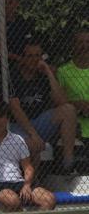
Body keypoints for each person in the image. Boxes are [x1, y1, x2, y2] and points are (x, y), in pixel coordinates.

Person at [9, 42, 77, 173]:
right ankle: (32, 183)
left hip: (40, 122)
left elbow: (62, 101)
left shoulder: (43, 76)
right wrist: (33, 134)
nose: (34, 59)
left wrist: (49, 73)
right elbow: (15, 109)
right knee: (32, 145)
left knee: (69, 110)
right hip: (18, 126)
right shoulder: (13, 76)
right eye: (29, 56)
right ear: (22, 58)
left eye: (37, 56)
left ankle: (68, 163)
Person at [57, 30, 89, 141]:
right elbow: (57, 103)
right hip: (75, 129)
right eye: (80, 42)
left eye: (87, 42)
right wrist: (77, 104)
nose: (84, 46)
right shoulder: (63, 71)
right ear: (73, 45)